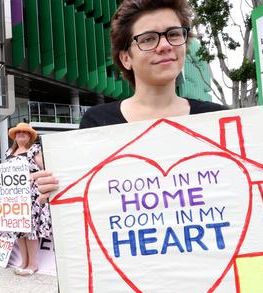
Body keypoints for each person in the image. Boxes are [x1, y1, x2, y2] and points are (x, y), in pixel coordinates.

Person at [34, 0, 227, 197]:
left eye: (174, 34)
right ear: (126, 58)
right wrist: (59, 186)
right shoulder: (97, 122)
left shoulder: (218, 120)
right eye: (148, 39)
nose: (165, 45)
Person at [5, 123, 52, 276]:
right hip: (14, 197)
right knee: (20, 229)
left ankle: (33, 264)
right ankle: (23, 262)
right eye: (18, 132)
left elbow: (47, 169)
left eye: (24, 132)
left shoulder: (34, 150)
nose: (21, 134)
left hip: (31, 196)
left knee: (30, 230)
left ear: (30, 136)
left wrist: (32, 176)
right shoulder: (9, 152)